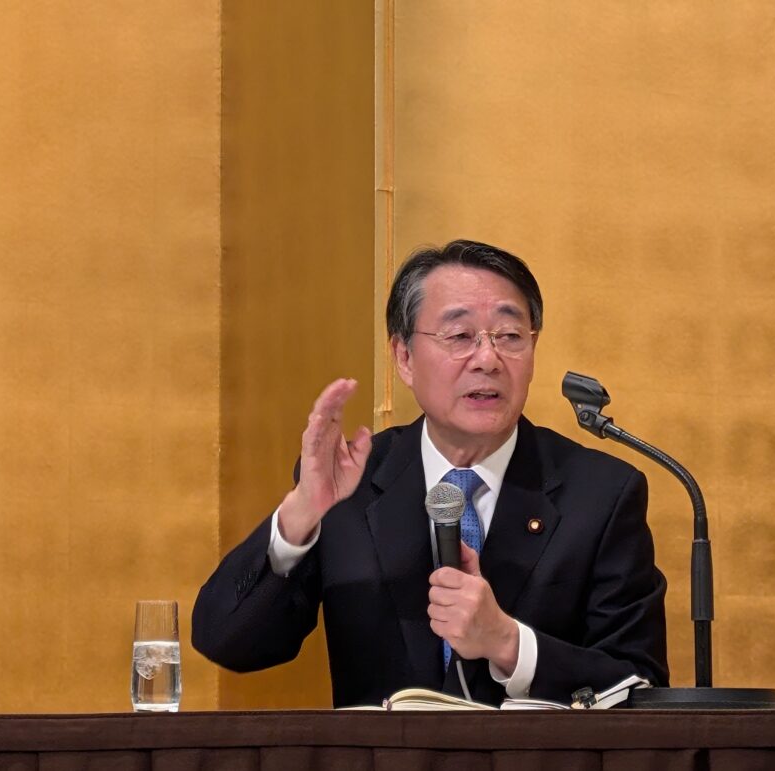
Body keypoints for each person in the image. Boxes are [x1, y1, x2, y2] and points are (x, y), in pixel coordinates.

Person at [192, 239, 668, 708]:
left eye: (509, 336)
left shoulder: (601, 494)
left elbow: (639, 686)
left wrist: (509, 644)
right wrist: (302, 512)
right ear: (404, 357)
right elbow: (228, 642)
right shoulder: (351, 484)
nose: (488, 359)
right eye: (459, 337)